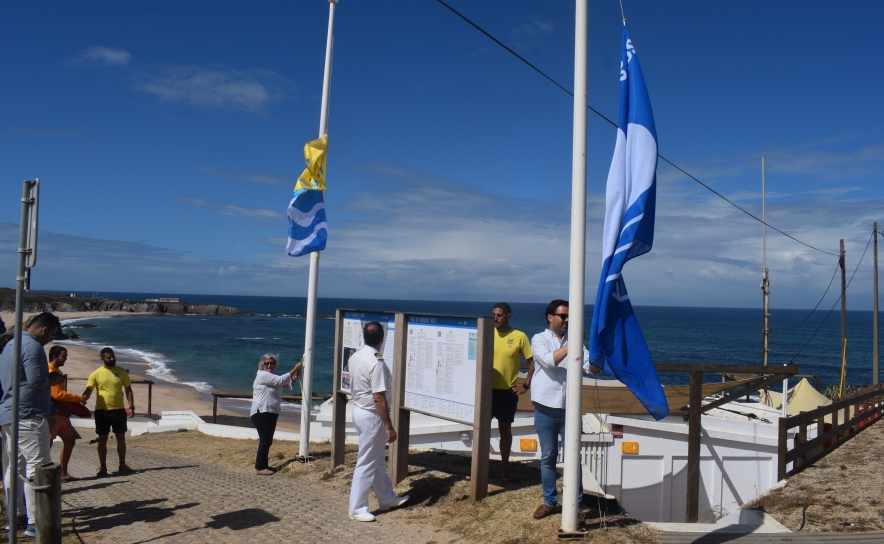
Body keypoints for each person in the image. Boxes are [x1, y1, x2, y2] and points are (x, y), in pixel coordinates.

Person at [530, 300, 600, 521]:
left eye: (570, 316)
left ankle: (575, 506)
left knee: (573, 458)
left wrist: (601, 353)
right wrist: (574, 343)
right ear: (550, 318)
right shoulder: (539, 339)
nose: (568, 320)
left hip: (571, 408)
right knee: (548, 457)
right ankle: (550, 501)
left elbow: (591, 367)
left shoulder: (575, 342)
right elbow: (550, 361)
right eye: (563, 316)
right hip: (545, 407)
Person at [0, 312, 65, 537]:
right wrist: (56, 379)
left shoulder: (10, 345)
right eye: (52, 335)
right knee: (38, 468)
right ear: (44, 329)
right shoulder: (34, 347)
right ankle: (35, 522)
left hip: (9, 413)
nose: (50, 341)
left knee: (14, 468)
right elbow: (38, 381)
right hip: (29, 415)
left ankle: (15, 516)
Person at [348, 321, 408, 522]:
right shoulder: (376, 362)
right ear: (383, 339)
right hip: (372, 415)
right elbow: (379, 397)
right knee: (366, 461)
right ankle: (357, 508)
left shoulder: (356, 356)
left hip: (359, 410)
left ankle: (387, 498)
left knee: (376, 460)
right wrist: (389, 426)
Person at [490, 302, 534, 482]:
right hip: (486, 391)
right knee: (480, 431)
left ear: (508, 316)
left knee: (505, 431)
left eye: (499, 315)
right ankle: (477, 467)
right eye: (493, 314)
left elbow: (532, 362)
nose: (495, 318)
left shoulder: (519, 336)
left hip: (507, 393)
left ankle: (504, 469)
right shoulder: (487, 332)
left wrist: (525, 386)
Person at [81, 348, 135, 476]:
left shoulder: (121, 372)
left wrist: (131, 407)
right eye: (109, 357)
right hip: (102, 411)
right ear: (102, 359)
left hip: (119, 410)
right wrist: (82, 399)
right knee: (102, 439)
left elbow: (128, 389)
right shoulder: (96, 374)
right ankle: (103, 467)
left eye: (113, 356)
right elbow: (89, 390)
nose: (112, 359)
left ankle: (122, 464)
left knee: (121, 438)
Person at [250, 354, 302, 475]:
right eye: (267, 363)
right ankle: (260, 467)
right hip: (261, 411)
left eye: (272, 363)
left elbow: (285, 386)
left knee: (268, 441)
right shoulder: (262, 375)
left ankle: (264, 465)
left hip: (272, 411)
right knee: (265, 440)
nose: (269, 365)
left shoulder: (271, 377)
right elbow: (280, 380)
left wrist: (293, 378)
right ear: (262, 365)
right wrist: (295, 368)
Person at [48, 345, 85, 481]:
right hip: (52, 414)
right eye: (64, 356)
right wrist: (79, 398)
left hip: (62, 414)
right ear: (55, 356)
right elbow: (57, 395)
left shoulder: (57, 371)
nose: (66, 359)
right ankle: (44, 474)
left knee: (70, 441)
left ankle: (63, 473)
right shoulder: (50, 371)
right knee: (48, 444)